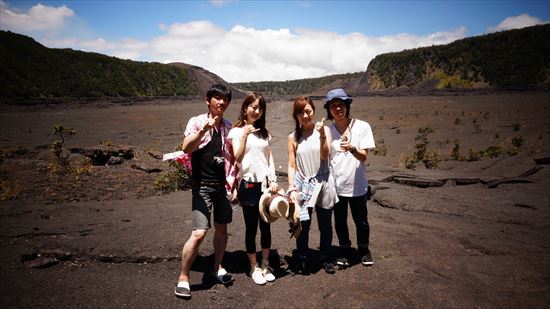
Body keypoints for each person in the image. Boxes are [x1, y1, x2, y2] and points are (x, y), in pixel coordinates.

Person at [175, 84, 237, 299]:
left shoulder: (228, 126)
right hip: (202, 186)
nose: (221, 102)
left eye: (225, 99)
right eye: (217, 98)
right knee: (199, 232)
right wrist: (203, 130)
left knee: (222, 229)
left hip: (222, 187)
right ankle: (184, 277)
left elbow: (232, 158)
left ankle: (217, 267)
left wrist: (234, 184)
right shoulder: (197, 122)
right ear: (208, 100)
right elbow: (186, 147)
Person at [227, 93, 279, 285]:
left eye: (260, 108)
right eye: (253, 107)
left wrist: (273, 179)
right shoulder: (235, 132)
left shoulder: (264, 132)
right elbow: (237, 158)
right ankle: (253, 267)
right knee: (251, 228)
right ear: (245, 108)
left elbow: (269, 157)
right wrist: (245, 135)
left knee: (266, 226)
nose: (256, 111)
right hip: (248, 184)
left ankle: (265, 264)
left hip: (265, 185)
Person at [324, 88, 375, 267]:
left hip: (357, 185)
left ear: (347, 106)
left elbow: (364, 157)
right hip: (337, 186)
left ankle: (363, 250)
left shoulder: (362, 127)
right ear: (329, 110)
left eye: (341, 105)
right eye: (333, 106)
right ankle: (344, 249)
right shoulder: (328, 131)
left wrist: (352, 148)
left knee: (361, 220)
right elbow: (325, 157)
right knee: (339, 221)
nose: (338, 109)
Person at [287, 96, 339, 275]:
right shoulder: (293, 137)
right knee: (303, 223)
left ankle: (325, 256)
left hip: (323, 182)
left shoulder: (324, 130)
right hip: (303, 185)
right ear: (296, 116)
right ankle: (302, 256)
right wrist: (292, 187)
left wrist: (322, 136)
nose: (305, 115)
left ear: (314, 111)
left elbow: (325, 156)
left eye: (308, 111)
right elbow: (292, 164)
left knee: (325, 223)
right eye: (300, 112)